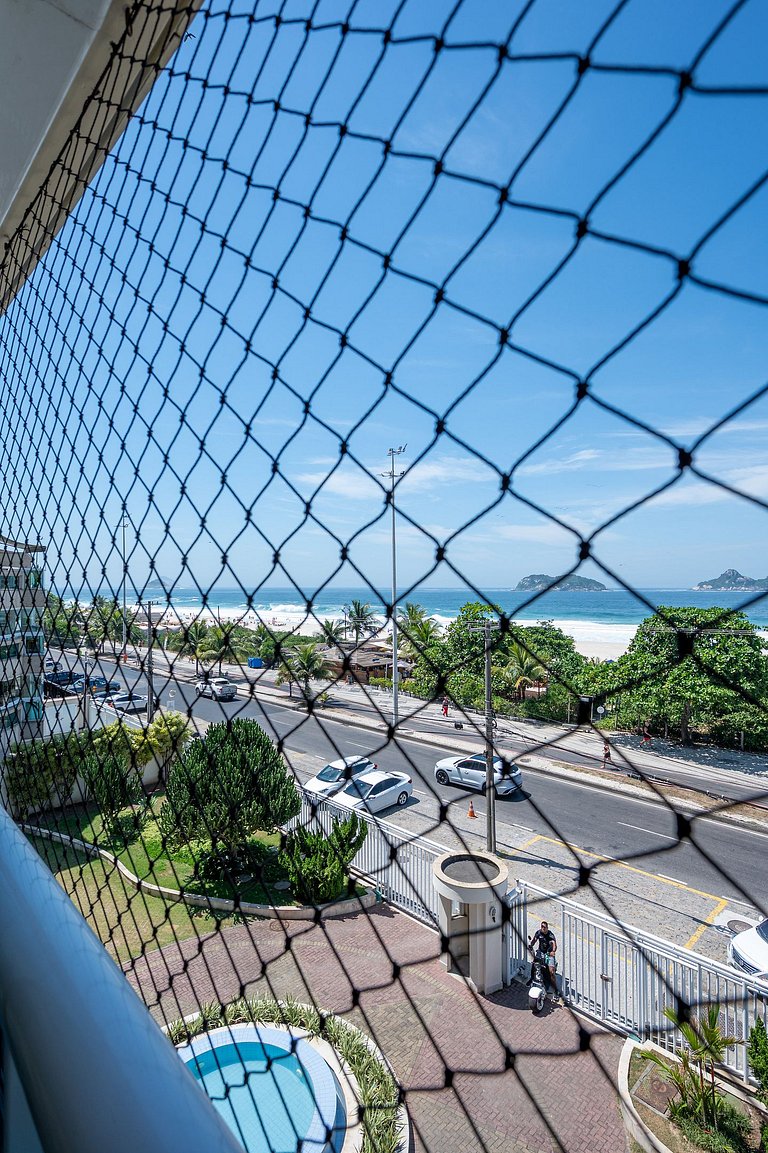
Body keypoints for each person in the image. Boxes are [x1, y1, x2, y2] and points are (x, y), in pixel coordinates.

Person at [528, 920, 558, 997]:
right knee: (534, 964)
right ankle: (531, 979)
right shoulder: (539, 933)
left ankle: (556, 991)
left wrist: (553, 951)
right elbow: (534, 940)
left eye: (544, 927)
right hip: (541, 952)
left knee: (551, 971)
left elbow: (554, 944)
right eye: (542, 927)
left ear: (547, 928)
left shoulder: (550, 935)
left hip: (549, 953)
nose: (543, 928)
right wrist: (531, 945)